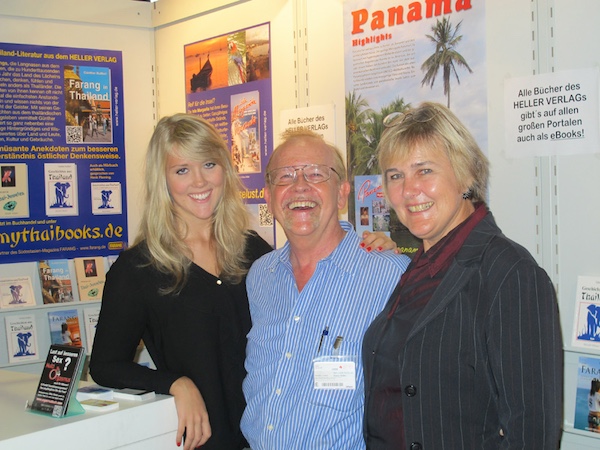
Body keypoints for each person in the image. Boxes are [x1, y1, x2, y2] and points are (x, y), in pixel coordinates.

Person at [89, 114, 394, 450]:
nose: (200, 182)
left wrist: (371, 248)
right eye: (181, 170)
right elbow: (105, 365)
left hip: (263, 438)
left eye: (208, 164)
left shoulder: (255, 255)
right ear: (162, 181)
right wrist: (175, 383)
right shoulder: (139, 269)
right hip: (204, 442)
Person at [362, 101, 563, 449]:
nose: (409, 190)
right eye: (396, 175)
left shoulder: (509, 273)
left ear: (466, 174)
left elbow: (533, 433)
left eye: (424, 170)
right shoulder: (420, 266)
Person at [241, 129, 411, 449]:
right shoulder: (260, 276)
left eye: (317, 174)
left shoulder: (387, 276)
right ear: (268, 195)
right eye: (285, 175)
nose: (300, 185)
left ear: (342, 193)